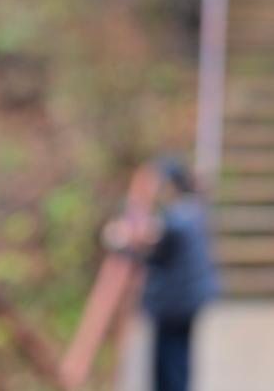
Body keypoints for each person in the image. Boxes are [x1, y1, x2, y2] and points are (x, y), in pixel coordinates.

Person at [103, 157, 219, 391]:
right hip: (189, 297)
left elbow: (153, 253)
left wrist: (121, 245)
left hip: (174, 303)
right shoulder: (191, 209)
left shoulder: (177, 221)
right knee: (178, 356)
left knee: (168, 361)